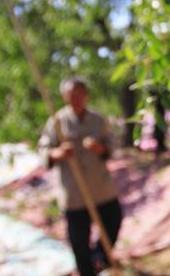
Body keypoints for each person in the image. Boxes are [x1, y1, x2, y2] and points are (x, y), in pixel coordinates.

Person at [38, 76, 123, 276]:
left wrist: (99, 147)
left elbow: (113, 145)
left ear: (86, 95)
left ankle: (100, 257)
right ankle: (86, 270)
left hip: (100, 188)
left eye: (79, 94)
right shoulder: (57, 122)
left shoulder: (98, 120)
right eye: (71, 95)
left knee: (113, 220)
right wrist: (57, 153)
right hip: (74, 192)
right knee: (78, 239)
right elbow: (43, 149)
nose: (75, 99)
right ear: (65, 96)